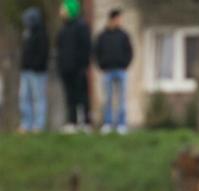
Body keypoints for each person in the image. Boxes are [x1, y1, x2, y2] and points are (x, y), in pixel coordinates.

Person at [94, 8, 133, 134]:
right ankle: (108, 123)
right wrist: (101, 65)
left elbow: (130, 52)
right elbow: (96, 52)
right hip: (107, 71)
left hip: (121, 70)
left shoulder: (123, 35)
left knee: (121, 99)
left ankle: (121, 124)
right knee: (108, 99)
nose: (120, 21)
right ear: (112, 19)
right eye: (118, 19)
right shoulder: (102, 36)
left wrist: (125, 65)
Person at [56, 0, 92, 132]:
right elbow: (59, 49)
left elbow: (86, 47)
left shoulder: (81, 27)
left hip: (79, 68)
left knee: (82, 96)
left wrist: (83, 65)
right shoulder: (63, 29)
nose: (61, 11)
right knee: (70, 96)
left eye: (63, 9)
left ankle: (87, 122)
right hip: (66, 69)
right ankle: (72, 122)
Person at [18, 7, 49, 133]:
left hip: (37, 72)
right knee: (24, 98)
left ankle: (38, 125)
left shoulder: (42, 34)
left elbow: (43, 54)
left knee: (38, 99)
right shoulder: (27, 34)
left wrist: (35, 66)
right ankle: (26, 124)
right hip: (26, 71)